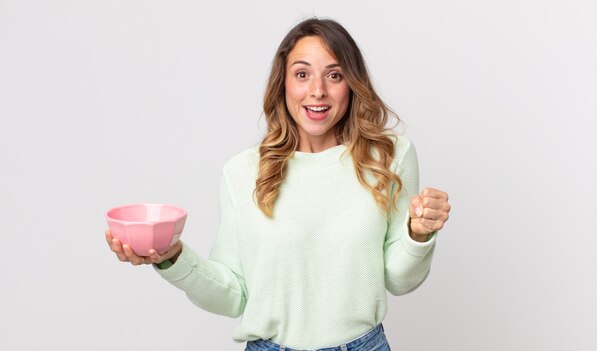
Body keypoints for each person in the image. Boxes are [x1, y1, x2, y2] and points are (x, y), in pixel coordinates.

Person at [106, 18, 451, 351]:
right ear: (283, 83)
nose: (318, 91)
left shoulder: (389, 158)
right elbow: (233, 295)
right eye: (302, 74)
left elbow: (400, 279)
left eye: (334, 75)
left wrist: (418, 234)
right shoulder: (242, 172)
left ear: (352, 84)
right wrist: (171, 257)